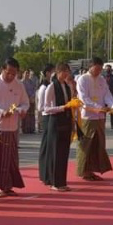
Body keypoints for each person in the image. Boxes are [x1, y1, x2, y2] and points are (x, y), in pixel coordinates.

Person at [0, 58, 30, 198]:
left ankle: (6, 185)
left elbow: (25, 103)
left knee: (9, 157)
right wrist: (1, 112)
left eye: (14, 74)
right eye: (8, 73)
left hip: (12, 126)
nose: (11, 76)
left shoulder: (19, 85)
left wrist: (21, 110)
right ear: (2, 69)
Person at [76, 57, 113, 181]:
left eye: (101, 69)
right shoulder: (83, 79)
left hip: (100, 116)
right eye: (97, 68)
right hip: (88, 116)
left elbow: (107, 94)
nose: (99, 71)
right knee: (86, 144)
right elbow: (84, 98)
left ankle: (92, 170)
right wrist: (98, 107)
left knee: (98, 144)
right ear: (90, 66)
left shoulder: (102, 79)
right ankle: (84, 171)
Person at [39, 62, 74, 191]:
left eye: (67, 71)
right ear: (58, 72)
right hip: (55, 122)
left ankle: (61, 181)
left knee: (64, 153)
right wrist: (62, 108)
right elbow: (46, 108)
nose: (66, 74)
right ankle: (54, 182)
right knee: (55, 153)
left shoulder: (67, 86)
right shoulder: (51, 87)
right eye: (63, 71)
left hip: (65, 122)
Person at [21, 69, 37, 134]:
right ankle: (25, 129)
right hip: (25, 100)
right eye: (26, 73)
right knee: (26, 115)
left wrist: (32, 96)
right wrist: (28, 97)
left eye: (28, 73)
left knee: (31, 114)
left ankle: (31, 129)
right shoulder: (21, 82)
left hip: (31, 100)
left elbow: (34, 89)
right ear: (23, 74)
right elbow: (22, 92)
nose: (27, 74)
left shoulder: (31, 82)